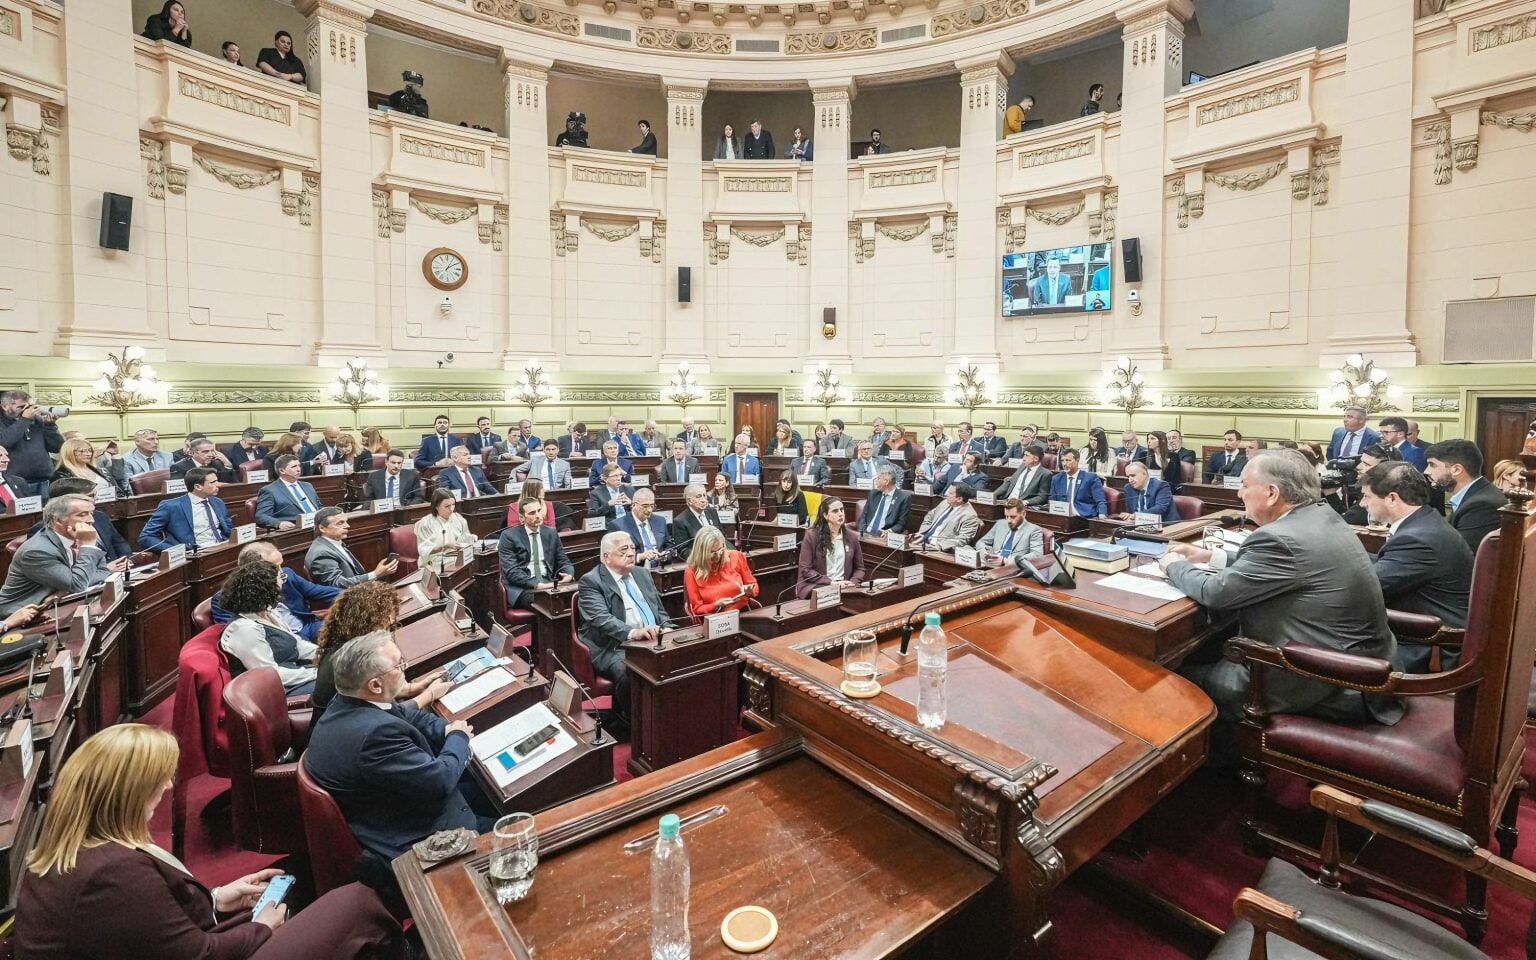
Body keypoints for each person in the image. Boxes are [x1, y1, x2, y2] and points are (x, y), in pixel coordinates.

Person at [16, 724, 407, 960]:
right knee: (357, 901)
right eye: (160, 780)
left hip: (200, 935)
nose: (168, 786)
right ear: (127, 795)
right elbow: (199, 955)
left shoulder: (77, 852)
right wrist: (263, 929)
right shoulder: (110, 876)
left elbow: (145, 928)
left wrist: (218, 898)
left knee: (297, 874)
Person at [1158, 449, 1401, 725]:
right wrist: (1211, 556)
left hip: (1324, 679)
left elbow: (1215, 592)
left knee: (1170, 676)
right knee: (1208, 648)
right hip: (1362, 666)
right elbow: (1290, 565)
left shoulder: (1279, 538)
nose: (1239, 493)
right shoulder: (1321, 516)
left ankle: (1215, 750)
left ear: (1272, 493)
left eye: (1245, 485)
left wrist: (1173, 565)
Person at [304, 631, 488, 861]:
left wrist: (445, 729)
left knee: (483, 790)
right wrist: (459, 737)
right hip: (424, 836)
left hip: (401, 803)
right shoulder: (374, 737)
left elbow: (407, 715)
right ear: (375, 685)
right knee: (522, 819)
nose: (404, 669)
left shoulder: (348, 700)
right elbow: (441, 781)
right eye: (399, 665)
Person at [1358, 463, 1473, 671]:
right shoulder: (1425, 522)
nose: (1361, 504)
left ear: (1392, 498)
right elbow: (1389, 564)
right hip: (1425, 633)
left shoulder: (1417, 539)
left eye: (1367, 496)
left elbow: (1367, 589)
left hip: (1430, 649)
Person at [311, 581, 446, 713]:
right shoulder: (351, 660)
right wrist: (430, 694)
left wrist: (414, 688)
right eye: (386, 620)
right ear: (367, 621)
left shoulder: (350, 645)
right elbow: (389, 714)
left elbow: (376, 692)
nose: (391, 622)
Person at [576, 532, 672, 717]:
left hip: (654, 638)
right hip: (615, 645)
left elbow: (659, 610)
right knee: (629, 671)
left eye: (632, 548)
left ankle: (668, 716)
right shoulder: (591, 581)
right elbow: (602, 620)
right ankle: (636, 722)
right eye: (623, 550)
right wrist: (634, 633)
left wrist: (668, 627)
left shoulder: (642, 573)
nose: (630, 553)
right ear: (606, 557)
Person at [0, 495, 127, 618]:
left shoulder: (80, 535)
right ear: (58, 520)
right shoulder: (36, 551)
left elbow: (103, 570)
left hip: (58, 602)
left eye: (91, 513)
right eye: (82, 514)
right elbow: (78, 584)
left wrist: (64, 591)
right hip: (21, 614)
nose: (91, 520)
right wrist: (88, 546)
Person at [218, 561, 317, 695]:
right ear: (266, 589)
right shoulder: (244, 629)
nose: (283, 583)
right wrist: (316, 673)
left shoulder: (268, 612)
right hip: (275, 691)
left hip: (295, 674)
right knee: (338, 684)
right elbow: (270, 674)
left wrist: (325, 654)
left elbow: (297, 645)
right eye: (280, 579)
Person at [210, 541, 339, 644]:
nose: (281, 572)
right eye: (274, 568)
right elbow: (236, 637)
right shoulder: (226, 598)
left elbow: (319, 591)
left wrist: (349, 594)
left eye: (280, 565)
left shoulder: (286, 574)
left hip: (307, 626)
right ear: (252, 570)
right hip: (279, 641)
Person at [1424, 439, 1506, 552]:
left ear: (1457, 470)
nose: (1426, 471)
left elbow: (1462, 555)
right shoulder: (1477, 494)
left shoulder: (1482, 505)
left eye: (1432, 465)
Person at [498, 498, 574, 611]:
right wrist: (537, 585)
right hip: (523, 588)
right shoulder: (508, 536)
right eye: (532, 513)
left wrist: (569, 574)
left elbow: (563, 560)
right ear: (522, 518)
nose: (538, 515)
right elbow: (512, 571)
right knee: (550, 605)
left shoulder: (551, 532)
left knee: (578, 598)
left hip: (549, 582)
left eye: (539, 510)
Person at [138, 466, 232, 553]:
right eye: (213, 482)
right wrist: (175, 551)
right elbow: (146, 537)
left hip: (224, 548)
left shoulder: (217, 502)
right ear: (198, 487)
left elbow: (229, 529)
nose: (218, 485)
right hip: (197, 554)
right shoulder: (171, 506)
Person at [35, 478, 132, 561]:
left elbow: (120, 543)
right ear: (67, 500)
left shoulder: (99, 516)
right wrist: (107, 569)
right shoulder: (43, 529)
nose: (96, 499)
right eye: (90, 496)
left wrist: (128, 560)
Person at [305, 508, 398, 589]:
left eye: (346, 521)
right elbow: (337, 585)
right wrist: (376, 574)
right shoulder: (321, 553)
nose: (347, 526)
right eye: (340, 523)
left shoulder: (334, 543)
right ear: (322, 528)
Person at [0, 390, 65, 495]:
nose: (27, 410)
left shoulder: (37, 420)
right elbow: (4, 442)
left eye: (30, 406)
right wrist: (24, 420)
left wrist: (50, 425)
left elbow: (57, 447)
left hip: (44, 479)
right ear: (4, 406)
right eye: (21, 407)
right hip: (14, 482)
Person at [684, 526, 758, 617]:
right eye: (712, 552)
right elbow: (697, 609)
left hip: (742, 613)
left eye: (720, 549)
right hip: (714, 618)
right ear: (701, 552)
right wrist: (716, 605)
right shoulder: (691, 571)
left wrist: (750, 590)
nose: (718, 556)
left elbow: (754, 586)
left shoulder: (736, 556)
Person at [797, 498, 865, 596]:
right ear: (825, 515)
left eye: (841, 510)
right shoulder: (812, 536)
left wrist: (852, 583)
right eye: (835, 511)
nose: (840, 514)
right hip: (818, 586)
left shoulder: (852, 537)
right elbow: (805, 570)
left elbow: (860, 568)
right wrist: (831, 583)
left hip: (844, 587)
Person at [254, 455, 322, 530]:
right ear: (282, 471)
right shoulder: (269, 491)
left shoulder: (308, 485)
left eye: (299, 465)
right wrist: (279, 523)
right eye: (294, 467)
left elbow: (319, 507)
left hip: (319, 524)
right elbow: (261, 516)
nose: (298, 469)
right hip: (297, 529)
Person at [610, 488, 672, 568]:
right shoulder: (618, 526)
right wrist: (640, 556)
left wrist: (666, 555)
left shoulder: (660, 521)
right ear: (633, 505)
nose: (649, 510)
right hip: (635, 570)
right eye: (645, 506)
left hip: (661, 568)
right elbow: (616, 556)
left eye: (652, 506)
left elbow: (669, 546)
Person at [415, 489, 475, 570]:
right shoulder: (425, 524)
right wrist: (444, 546)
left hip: (457, 558)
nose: (451, 509)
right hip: (435, 562)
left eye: (453, 504)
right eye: (447, 506)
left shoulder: (458, 518)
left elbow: (466, 538)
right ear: (436, 506)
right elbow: (424, 550)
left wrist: (471, 540)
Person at [52, 436, 128, 498]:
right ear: (70, 452)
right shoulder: (62, 475)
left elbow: (118, 480)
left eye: (89, 450)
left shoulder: (100, 470)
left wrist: (115, 455)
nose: (88, 454)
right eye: (82, 451)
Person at [915, 483, 982, 550]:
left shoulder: (970, 515)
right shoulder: (945, 502)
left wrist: (939, 546)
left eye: (950, 493)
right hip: (922, 540)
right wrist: (922, 532)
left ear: (959, 499)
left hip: (939, 548)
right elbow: (929, 516)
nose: (947, 494)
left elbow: (962, 539)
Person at [977, 498, 1044, 562]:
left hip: (1012, 566)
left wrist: (1006, 561)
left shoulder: (1033, 530)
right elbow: (981, 542)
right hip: (992, 563)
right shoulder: (1000, 524)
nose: (1009, 521)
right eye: (1006, 516)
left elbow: (1037, 555)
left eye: (1013, 517)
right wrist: (986, 554)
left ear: (1023, 514)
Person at [1049, 450, 1108, 518]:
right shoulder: (1057, 479)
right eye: (1062, 460)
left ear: (1077, 460)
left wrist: (1102, 514)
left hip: (1083, 517)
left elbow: (1100, 500)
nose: (1064, 464)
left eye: (1068, 460)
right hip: (1062, 516)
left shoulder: (1090, 478)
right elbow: (1052, 501)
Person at [856, 467, 910, 536]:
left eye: (878, 478)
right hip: (866, 533)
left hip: (882, 536)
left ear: (886, 481)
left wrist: (889, 531)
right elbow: (863, 516)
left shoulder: (903, 498)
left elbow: (901, 524)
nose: (876, 481)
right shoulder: (873, 494)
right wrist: (862, 532)